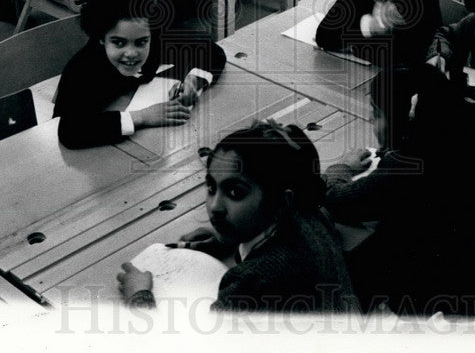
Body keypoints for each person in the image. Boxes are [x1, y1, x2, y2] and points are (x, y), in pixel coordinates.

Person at [324, 65, 475, 317]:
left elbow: (336, 202)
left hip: (436, 316)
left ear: (405, 120)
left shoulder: (408, 166)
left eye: (377, 113)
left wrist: (341, 168)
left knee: (337, 260)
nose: (370, 119)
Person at [117, 121, 357, 314]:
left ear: (282, 200)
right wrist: (226, 240)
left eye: (235, 193)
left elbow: (193, 351)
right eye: (212, 187)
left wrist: (139, 296)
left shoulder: (254, 281)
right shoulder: (311, 212)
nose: (215, 206)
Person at [54, 0, 226, 150]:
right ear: (100, 37)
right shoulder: (83, 69)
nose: (131, 54)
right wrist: (142, 117)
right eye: (119, 42)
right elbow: (71, 131)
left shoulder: (154, 37)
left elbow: (210, 50)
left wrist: (195, 81)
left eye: (141, 42)